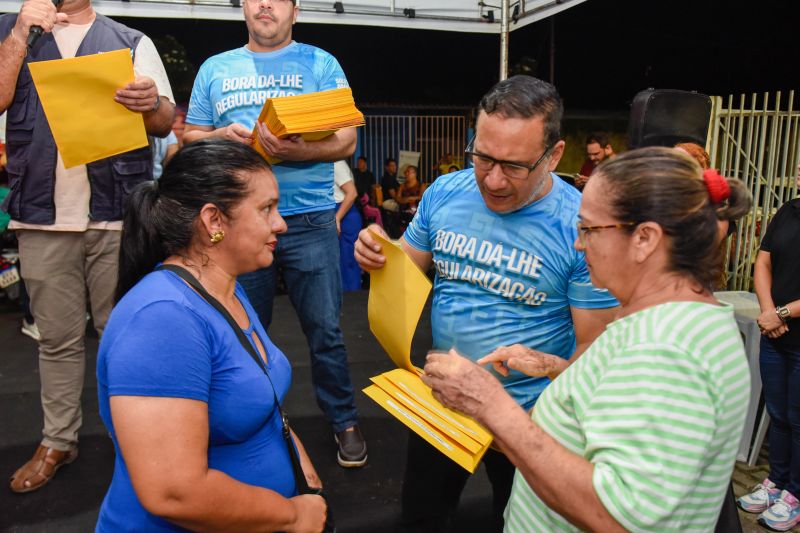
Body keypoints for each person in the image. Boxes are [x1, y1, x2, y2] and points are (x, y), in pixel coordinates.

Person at [422, 146, 753, 532]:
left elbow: (617, 518)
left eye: (590, 229)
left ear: (644, 238)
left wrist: (491, 403)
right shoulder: (668, 321)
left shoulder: (667, 350)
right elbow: (620, 403)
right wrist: (555, 367)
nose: (579, 244)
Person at [355, 75, 619, 532]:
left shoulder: (582, 224)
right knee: (420, 517)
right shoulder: (444, 192)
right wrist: (379, 248)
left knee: (515, 523)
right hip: (442, 399)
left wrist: (545, 415)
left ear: (554, 155)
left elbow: (593, 353)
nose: (493, 180)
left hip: (529, 417)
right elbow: (407, 265)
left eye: (514, 166)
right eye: (482, 157)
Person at [95, 139, 326, 533]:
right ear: (214, 221)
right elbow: (175, 493)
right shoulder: (163, 319)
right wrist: (292, 516)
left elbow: (261, 404)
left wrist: (304, 474)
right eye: (266, 208)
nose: (281, 223)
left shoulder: (225, 288)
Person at [1, 0, 175, 493]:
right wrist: (17, 34)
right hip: (40, 217)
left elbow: (164, 120)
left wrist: (150, 104)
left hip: (116, 215)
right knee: (55, 340)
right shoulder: (12, 31)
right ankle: (58, 439)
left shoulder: (130, 41)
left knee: (124, 338)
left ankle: (136, 441)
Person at [183, 0, 366, 467]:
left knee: (325, 331)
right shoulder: (214, 68)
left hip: (311, 220)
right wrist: (220, 137)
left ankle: (343, 418)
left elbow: (347, 139)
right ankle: (258, 425)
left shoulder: (321, 63)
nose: (265, 4)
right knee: (242, 331)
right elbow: (189, 136)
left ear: (295, 9)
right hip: (238, 223)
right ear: (242, 6)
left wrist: (298, 151)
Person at [738, 177, 800, 531]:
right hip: (775, 334)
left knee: (798, 419)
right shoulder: (787, 212)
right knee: (778, 414)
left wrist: (782, 313)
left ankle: (796, 493)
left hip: (791, 330)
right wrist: (768, 311)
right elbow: (763, 263)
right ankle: (776, 481)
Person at [334, 160, 362, 291]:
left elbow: (352, 193)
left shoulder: (336, 163)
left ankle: (352, 298)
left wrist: (337, 217)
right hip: (341, 213)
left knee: (348, 262)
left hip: (345, 215)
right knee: (340, 262)